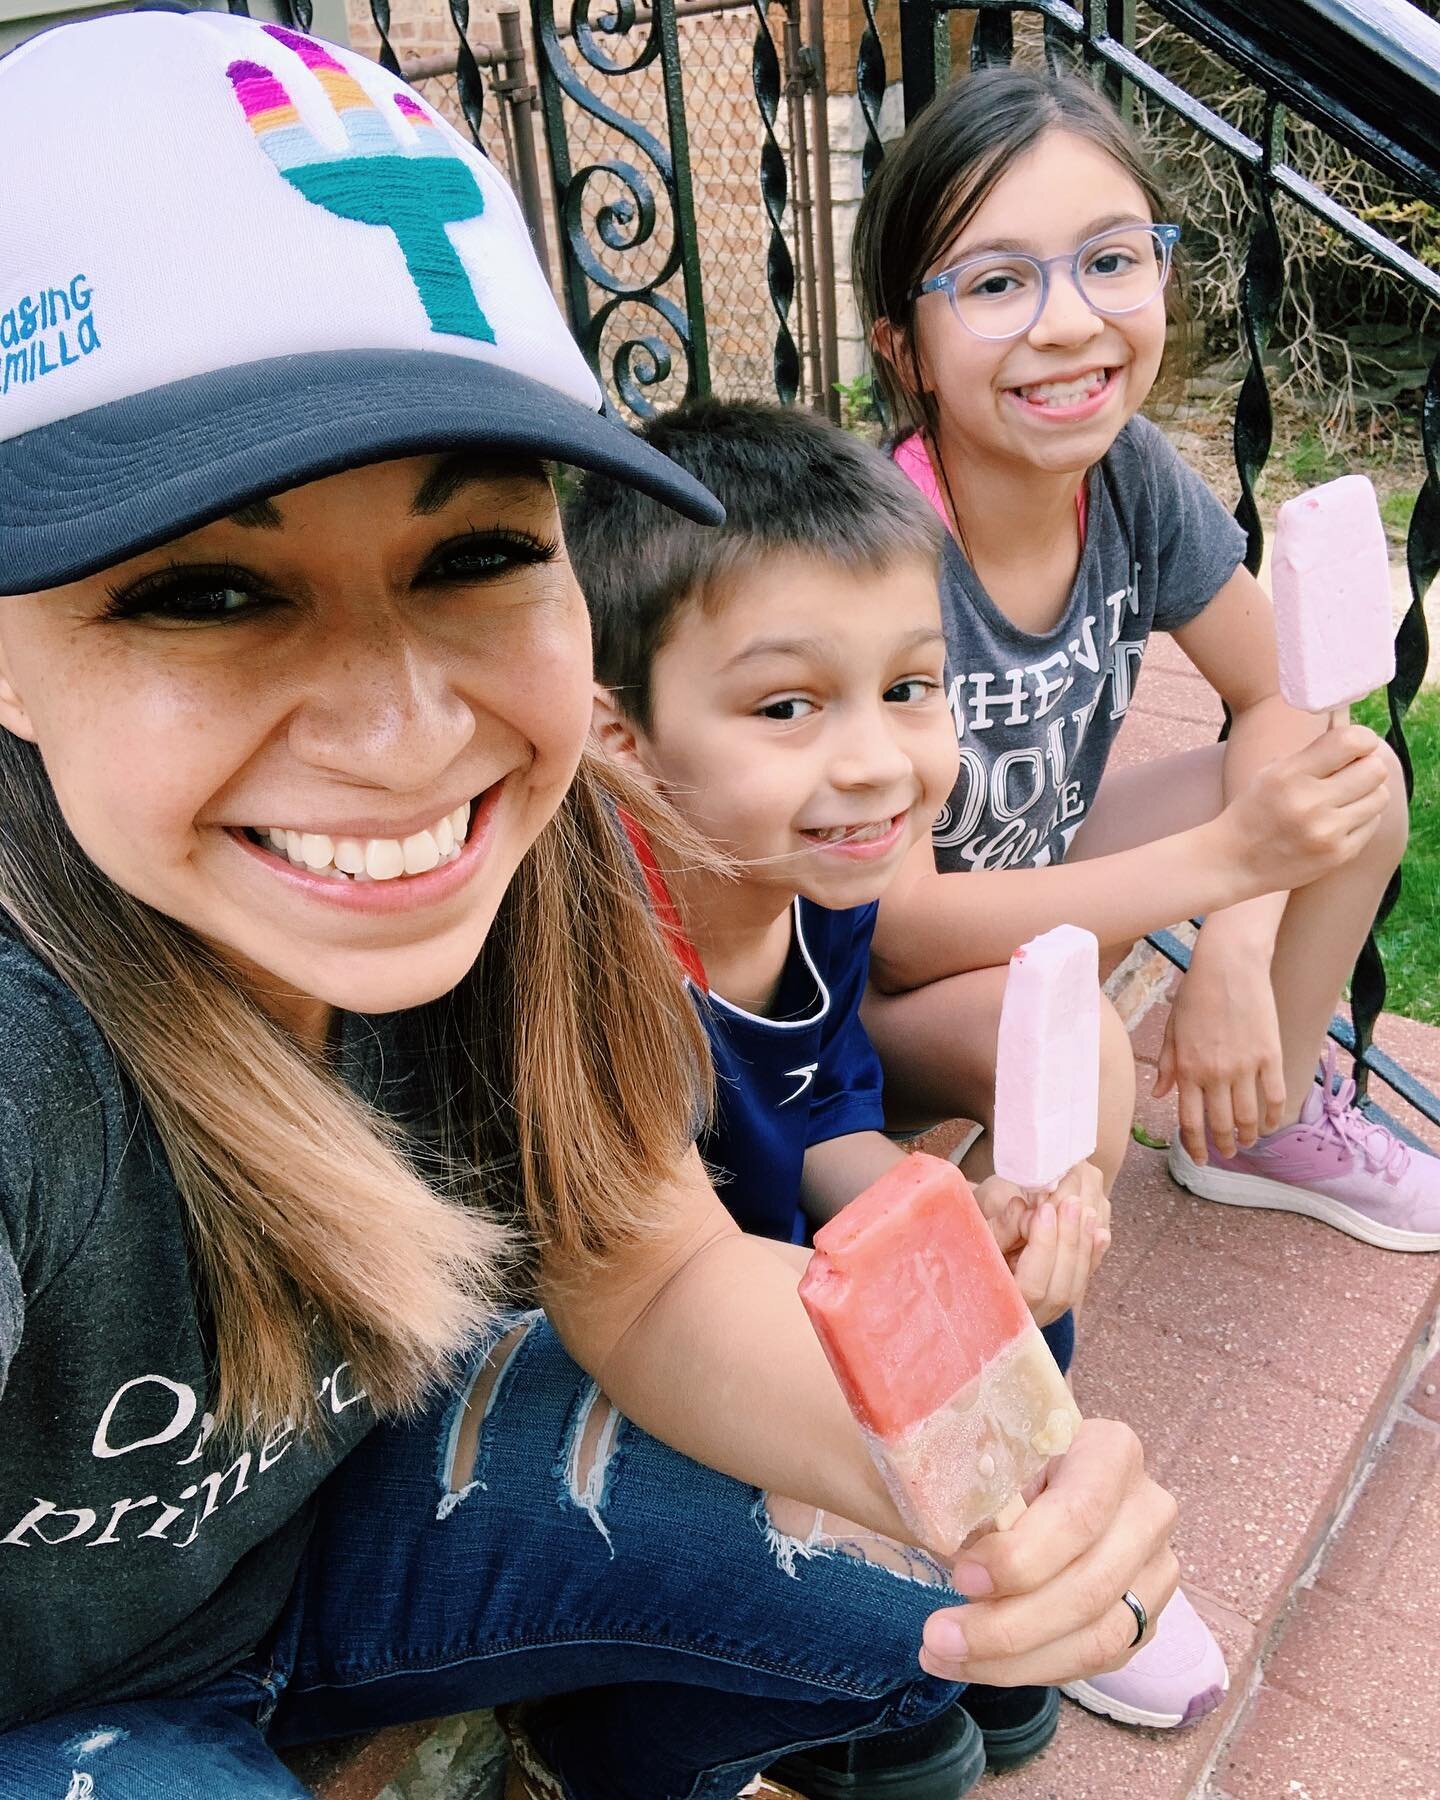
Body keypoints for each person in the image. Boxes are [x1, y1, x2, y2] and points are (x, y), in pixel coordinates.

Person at [0, 14, 1180, 1799]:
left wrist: (1001, 1478)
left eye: (474, 553)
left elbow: (661, 1282)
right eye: (210, 590)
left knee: (886, 1629)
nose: (410, 738)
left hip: (340, 1544)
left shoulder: (539, 875)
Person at [847, 63, 1430, 1730]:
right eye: (998, 280)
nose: (1069, 321)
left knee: (1362, 793)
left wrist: (1236, 940)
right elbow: (892, 927)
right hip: (900, 985)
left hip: (1052, 883)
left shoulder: (1136, 486)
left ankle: (1242, 1122)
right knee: (1082, 1060)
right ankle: (1044, 1523)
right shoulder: (888, 545)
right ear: (906, 340)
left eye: (1113, 258)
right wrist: (1210, 873)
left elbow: (1282, 710)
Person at [569, 396, 1112, 1788]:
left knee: (967, 1262)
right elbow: (641, 1294)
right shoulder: (602, 952)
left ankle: (989, 1585)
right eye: (789, 705)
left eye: (911, 686)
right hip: (603, 1345)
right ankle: (659, 1715)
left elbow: (817, 1123)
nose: (876, 759)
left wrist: (957, 1221)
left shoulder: (817, 877)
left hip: (755, 1268)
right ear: (620, 737)